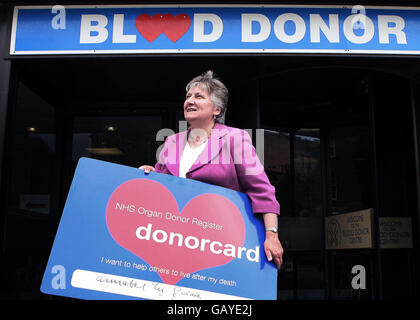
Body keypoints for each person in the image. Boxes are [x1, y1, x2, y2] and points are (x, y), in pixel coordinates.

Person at [140, 70, 283, 269]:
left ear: (217, 109)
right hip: (176, 239)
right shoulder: (171, 141)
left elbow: (262, 191)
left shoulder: (235, 139)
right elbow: (165, 188)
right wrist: (152, 175)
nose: (190, 101)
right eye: (188, 96)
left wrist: (272, 235)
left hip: (221, 243)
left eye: (199, 97)